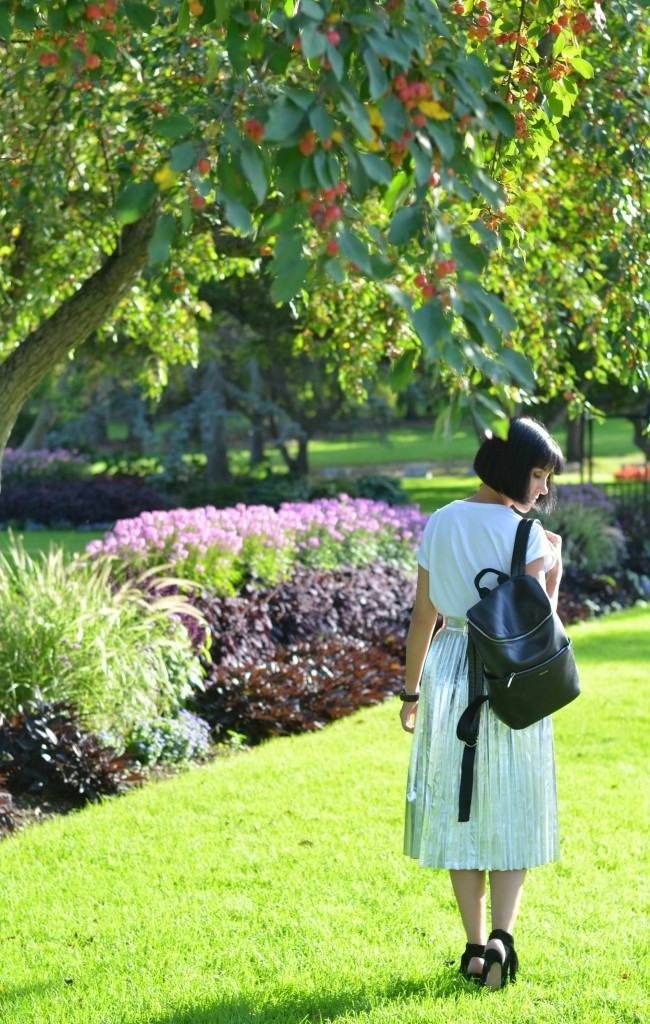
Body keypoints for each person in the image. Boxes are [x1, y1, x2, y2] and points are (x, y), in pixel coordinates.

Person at [399, 417, 565, 990]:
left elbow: (426, 617)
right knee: (512, 805)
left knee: (459, 808)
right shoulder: (530, 535)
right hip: (513, 680)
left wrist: (411, 691)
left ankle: (473, 949)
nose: (542, 489)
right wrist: (556, 571)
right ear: (512, 468)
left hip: (448, 672)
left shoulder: (440, 522)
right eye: (539, 474)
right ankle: (503, 938)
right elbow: (542, 627)